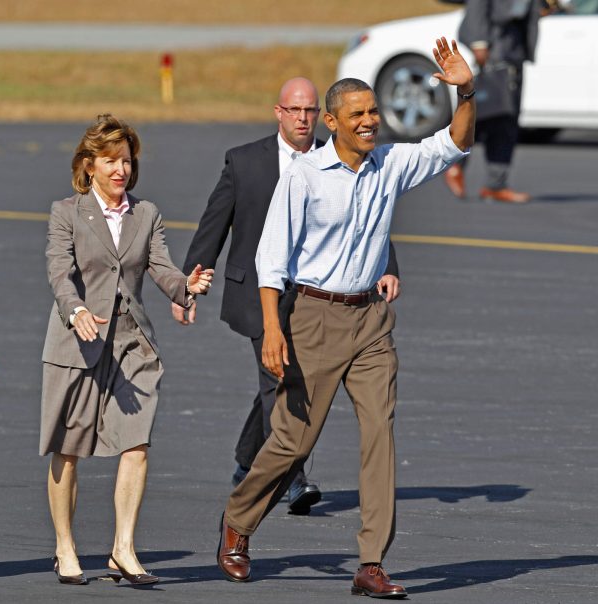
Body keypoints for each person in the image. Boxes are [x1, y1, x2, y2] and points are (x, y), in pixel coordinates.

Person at [217, 37, 475, 599]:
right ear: (330, 121)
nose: (369, 122)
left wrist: (466, 88)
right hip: (312, 317)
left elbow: (455, 142)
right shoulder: (305, 176)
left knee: (379, 432)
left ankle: (371, 562)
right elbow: (271, 259)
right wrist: (273, 330)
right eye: (356, 114)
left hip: (371, 323)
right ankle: (238, 521)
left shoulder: (390, 165)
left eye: (374, 112)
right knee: (292, 442)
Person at [173, 77, 401, 515]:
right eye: (294, 111)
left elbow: (366, 220)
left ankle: (246, 462)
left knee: (278, 385)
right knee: (281, 382)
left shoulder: (339, 156)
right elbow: (214, 223)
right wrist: (188, 284)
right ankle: (292, 480)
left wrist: (388, 267)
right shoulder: (244, 162)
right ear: (278, 112)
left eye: (310, 111)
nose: (302, 119)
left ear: (323, 116)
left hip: (315, 299)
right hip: (259, 292)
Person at [40, 114, 214, 586]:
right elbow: (60, 273)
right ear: (88, 164)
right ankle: (65, 547)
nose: (121, 169)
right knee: (68, 448)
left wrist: (186, 288)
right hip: (78, 341)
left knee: (136, 444)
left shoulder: (146, 213)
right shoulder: (66, 212)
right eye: (111, 161)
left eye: (127, 160)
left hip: (132, 342)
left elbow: (161, 268)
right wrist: (75, 310)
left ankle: (123, 549)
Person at [444, 0, 541, 203]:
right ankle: (454, 164)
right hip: (494, 47)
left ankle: (496, 184)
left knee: (507, 119)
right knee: (479, 117)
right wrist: (479, 42)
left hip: (513, 49)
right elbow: (477, 5)